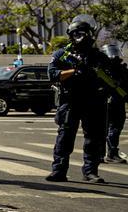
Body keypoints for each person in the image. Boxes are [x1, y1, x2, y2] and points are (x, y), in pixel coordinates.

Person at [46, 16, 119, 183]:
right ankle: (59, 170)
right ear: (71, 35)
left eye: (85, 33)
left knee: (93, 138)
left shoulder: (98, 56)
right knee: (65, 137)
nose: (82, 37)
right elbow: (52, 74)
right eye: (78, 33)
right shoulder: (63, 55)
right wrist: (74, 71)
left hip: (93, 102)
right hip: (70, 101)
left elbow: (111, 79)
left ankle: (90, 172)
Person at [102, 44, 127, 164]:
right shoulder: (102, 69)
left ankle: (112, 152)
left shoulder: (121, 69)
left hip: (119, 101)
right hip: (104, 102)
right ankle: (103, 154)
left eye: (115, 52)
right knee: (104, 129)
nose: (114, 55)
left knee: (116, 128)